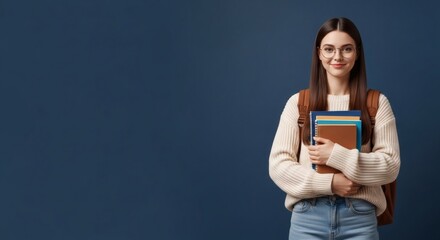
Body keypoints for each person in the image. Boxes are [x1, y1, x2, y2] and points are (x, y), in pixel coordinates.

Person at [268, 17, 400, 239]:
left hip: (359, 218)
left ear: (357, 53)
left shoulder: (376, 103)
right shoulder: (299, 103)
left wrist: (336, 155)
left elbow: (390, 166)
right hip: (307, 217)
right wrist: (330, 183)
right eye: (329, 49)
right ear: (319, 53)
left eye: (346, 49)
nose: (337, 57)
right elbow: (278, 166)